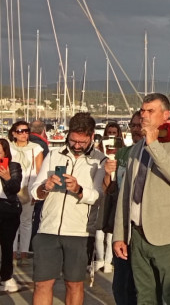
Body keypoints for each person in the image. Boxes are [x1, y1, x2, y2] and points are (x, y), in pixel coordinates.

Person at [113, 93, 170, 305]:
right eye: (143, 111)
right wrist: (120, 235)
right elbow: (126, 195)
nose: (144, 116)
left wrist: (153, 144)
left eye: (151, 111)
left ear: (166, 115)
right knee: (145, 297)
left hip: (169, 237)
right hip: (138, 235)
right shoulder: (136, 149)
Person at [30, 113, 107, 305]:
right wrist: (45, 186)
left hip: (79, 232)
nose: (76, 146)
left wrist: (79, 189)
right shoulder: (54, 154)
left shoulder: (100, 161)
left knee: (74, 284)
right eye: (73, 140)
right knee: (42, 284)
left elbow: (98, 196)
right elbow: (34, 191)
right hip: (48, 228)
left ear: (91, 137)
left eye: (82, 142)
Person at [112, 112, 141, 305]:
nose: (136, 129)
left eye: (140, 125)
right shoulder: (123, 153)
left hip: (145, 227)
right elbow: (111, 190)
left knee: (140, 285)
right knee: (120, 285)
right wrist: (108, 174)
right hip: (124, 223)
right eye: (133, 125)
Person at [8, 120, 44, 264]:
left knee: (26, 221)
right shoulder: (8, 147)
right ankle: (10, 253)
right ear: (14, 133)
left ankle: (23, 253)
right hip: (10, 188)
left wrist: (37, 191)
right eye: (20, 131)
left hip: (28, 188)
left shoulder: (36, 148)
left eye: (26, 131)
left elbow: (39, 170)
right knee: (11, 222)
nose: (24, 134)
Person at [94, 121, 122, 274]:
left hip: (116, 192)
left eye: (114, 132)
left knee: (111, 230)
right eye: (109, 132)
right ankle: (99, 258)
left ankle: (108, 261)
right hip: (102, 193)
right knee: (99, 231)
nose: (112, 135)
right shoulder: (99, 154)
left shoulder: (122, 153)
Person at [0, 138, 22, 293]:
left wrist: (7, 177)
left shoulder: (14, 166)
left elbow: (15, 188)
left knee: (7, 245)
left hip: (7, 209)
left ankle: (6, 276)